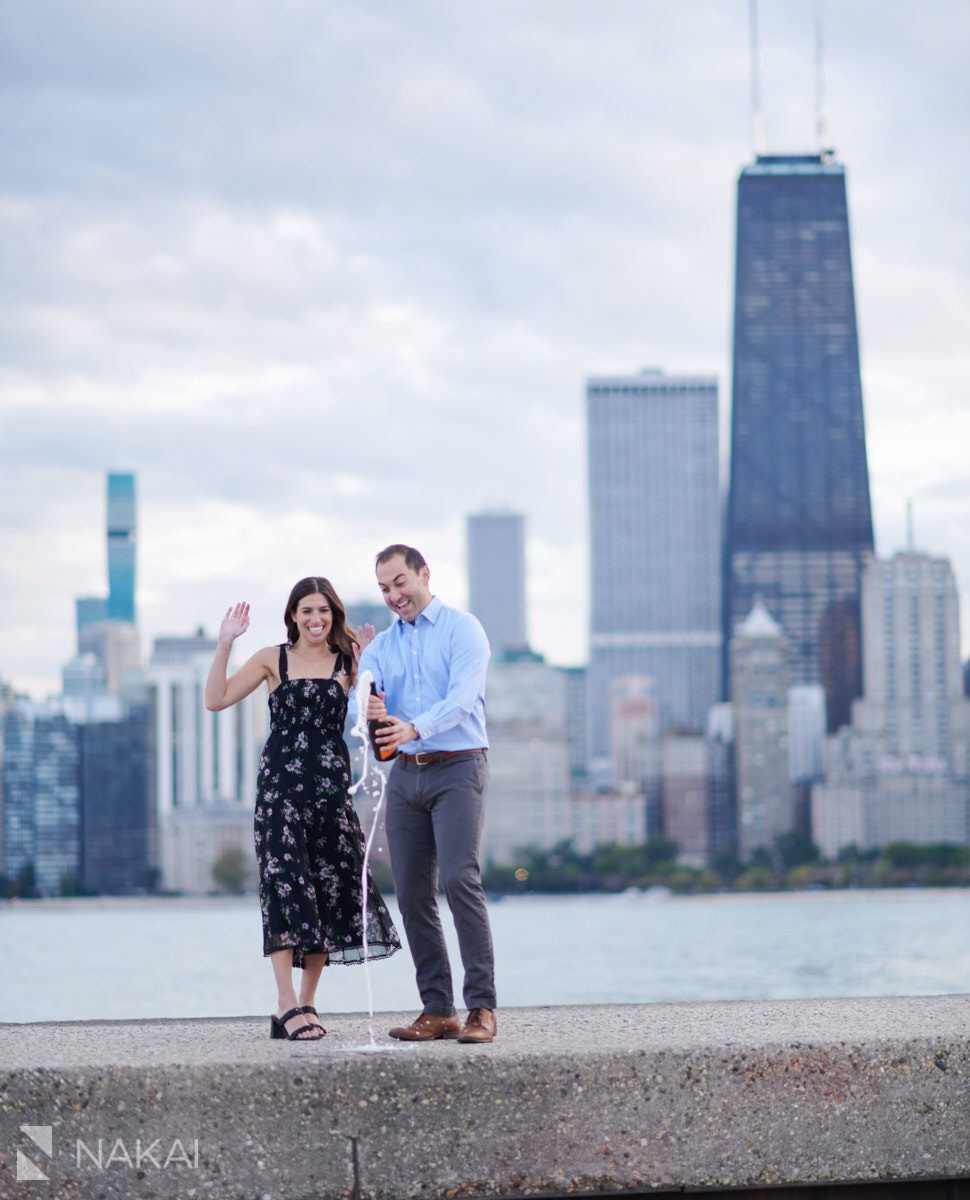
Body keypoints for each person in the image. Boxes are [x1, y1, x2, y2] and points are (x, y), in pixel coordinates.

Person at [205, 576, 400, 1042]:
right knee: (286, 893)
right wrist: (225, 643)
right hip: (280, 797)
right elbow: (216, 700)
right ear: (293, 615)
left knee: (328, 896)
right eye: (306, 611)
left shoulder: (348, 661)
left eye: (324, 611)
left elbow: (374, 725)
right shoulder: (273, 659)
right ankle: (285, 1003)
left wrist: (373, 671)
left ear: (334, 615)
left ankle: (308, 1002)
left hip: (331, 796)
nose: (316, 619)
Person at [356, 544, 497, 1044]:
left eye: (400, 582)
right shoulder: (380, 649)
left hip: (459, 767)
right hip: (406, 778)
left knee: (461, 879)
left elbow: (462, 701)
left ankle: (481, 1008)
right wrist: (370, 707)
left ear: (423, 575)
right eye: (384, 588)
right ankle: (438, 1009)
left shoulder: (464, 629)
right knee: (413, 893)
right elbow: (363, 694)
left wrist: (412, 727)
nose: (395, 595)